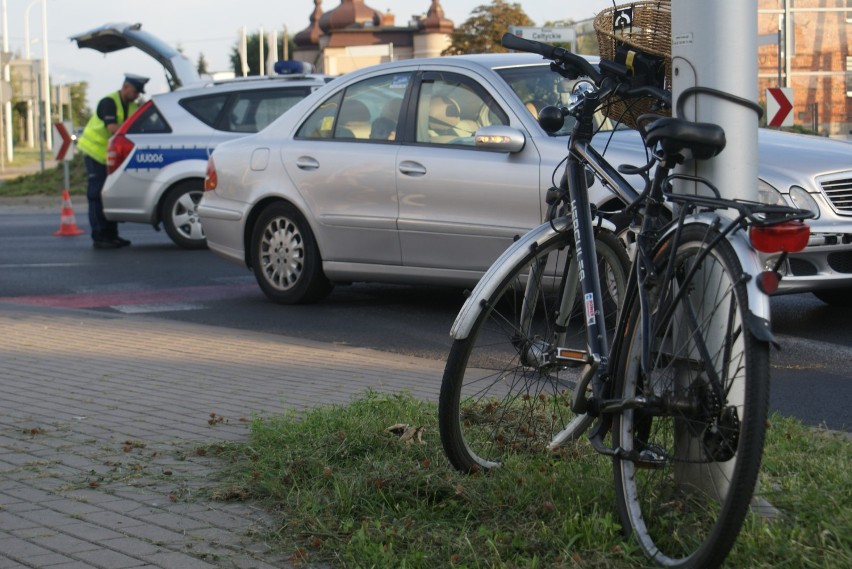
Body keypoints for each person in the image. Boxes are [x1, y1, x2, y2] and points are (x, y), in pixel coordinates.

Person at [77, 74, 149, 249]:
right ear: (125, 86)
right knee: (96, 195)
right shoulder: (108, 102)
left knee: (108, 195)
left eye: (139, 92)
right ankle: (100, 236)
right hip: (95, 154)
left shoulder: (131, 106)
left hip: (111, 158)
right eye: (136, 91)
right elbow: (113, 129)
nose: (137, 95)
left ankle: (111, 235)